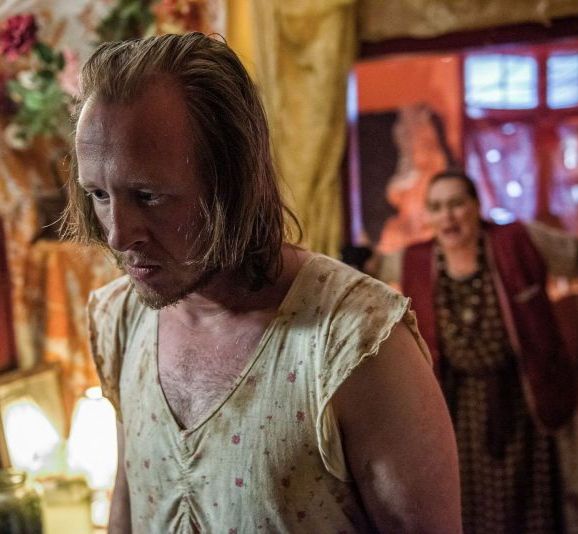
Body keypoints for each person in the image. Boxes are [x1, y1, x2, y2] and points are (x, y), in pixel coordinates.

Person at [61, 33, 462, 533]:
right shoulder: (120, 318)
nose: (118, 235)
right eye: (99, 194)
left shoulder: (356, 344)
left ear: (233, 181)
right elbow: (128, 504)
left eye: (149, 196)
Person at [362, 169, 578, 533]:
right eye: (436, 207)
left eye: (456, 204)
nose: (447, 216)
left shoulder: (517, 240)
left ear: (477, 207)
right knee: (467, 505)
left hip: (525, 401)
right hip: (458, 406)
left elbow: (572, 256)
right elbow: (370, 272)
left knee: (533, 506)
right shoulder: (416, 259)